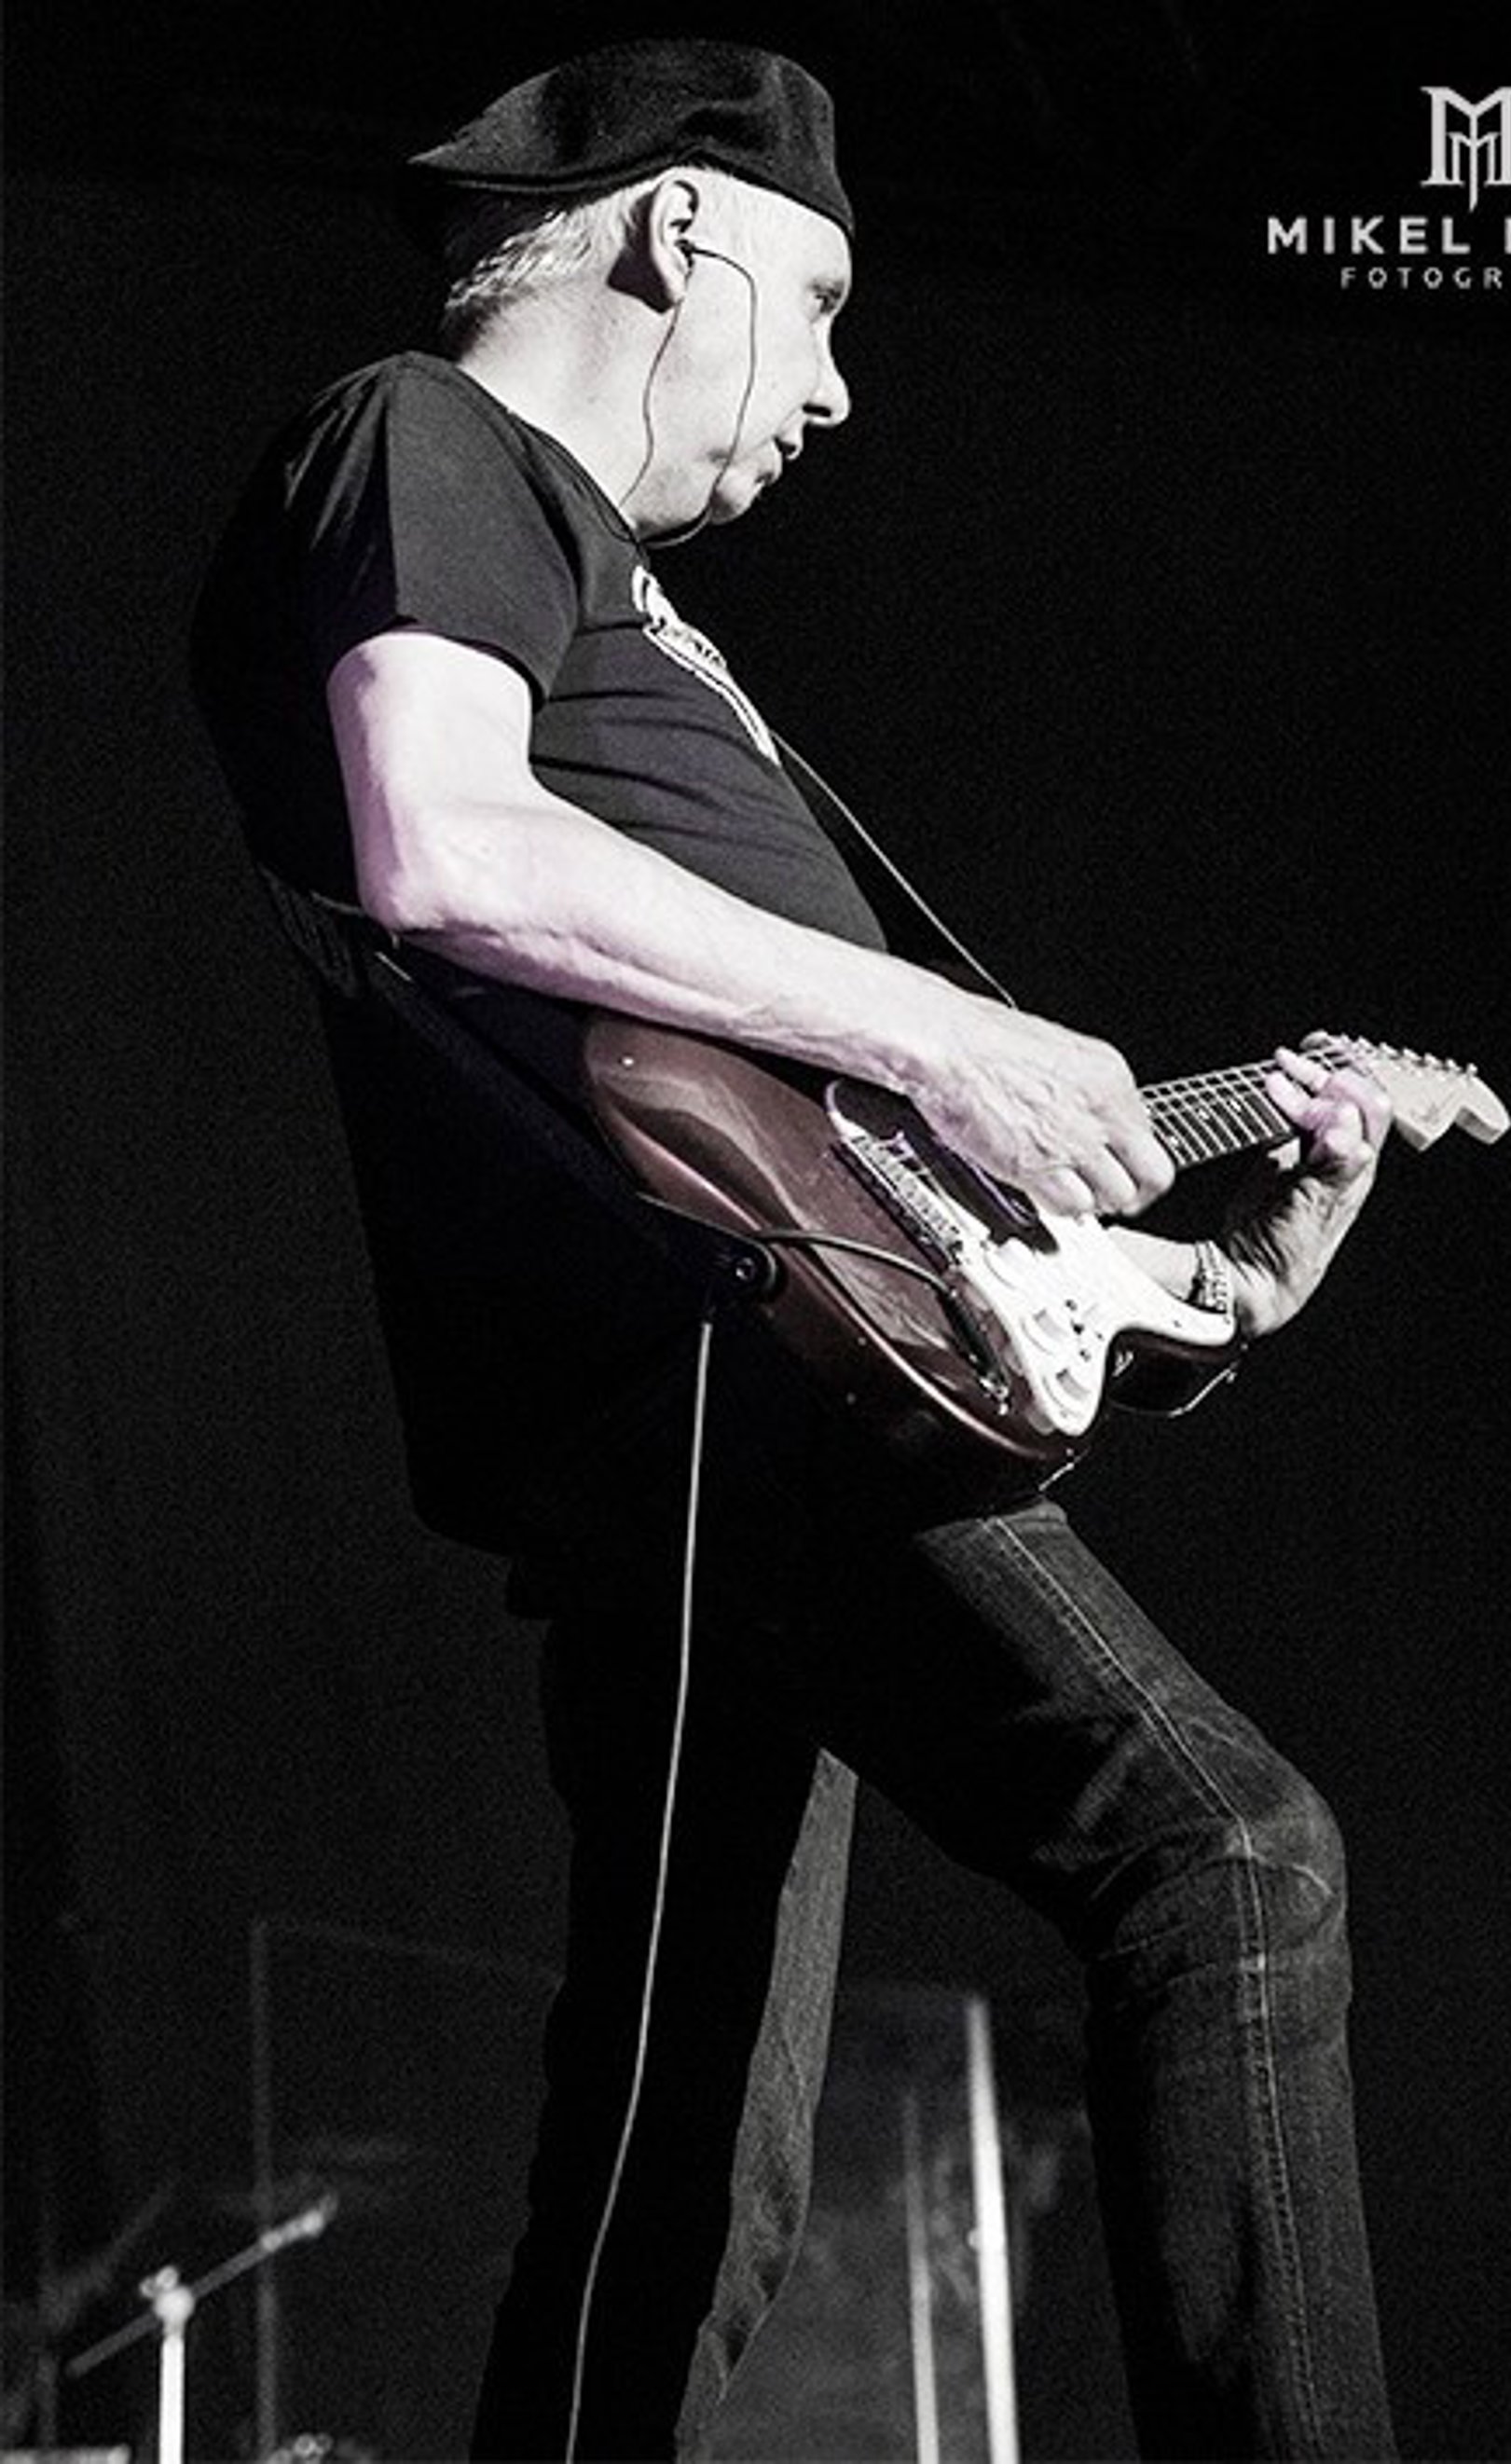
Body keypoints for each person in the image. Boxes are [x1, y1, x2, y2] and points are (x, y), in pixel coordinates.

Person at [193, 37, 1399, 2461]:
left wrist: (1198, 1292)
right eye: (823, 302)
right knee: (1224, 1852)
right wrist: (943, 1034)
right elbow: (442, 843)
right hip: (720, 1353)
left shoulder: (584, 581)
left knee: (682, 2166)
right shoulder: (431, 440)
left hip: (737, 1369)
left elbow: (841, 1147)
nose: (832, 394)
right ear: (683, 230)